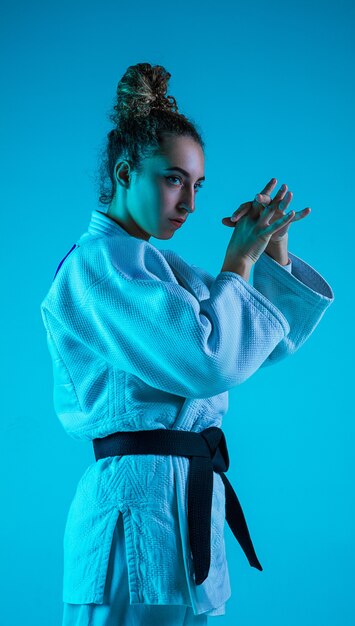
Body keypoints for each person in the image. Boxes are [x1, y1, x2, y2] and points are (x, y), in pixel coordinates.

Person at [40, 62, 335, 625]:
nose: (190, 203)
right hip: (132, 507)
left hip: (182, 501)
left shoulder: (163, 268)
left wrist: (269, 249)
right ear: (125, 172)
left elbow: (259, 346)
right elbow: (207, 361)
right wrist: (238, 261)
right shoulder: (95, 269)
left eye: (197, 185)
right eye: (173, 178)